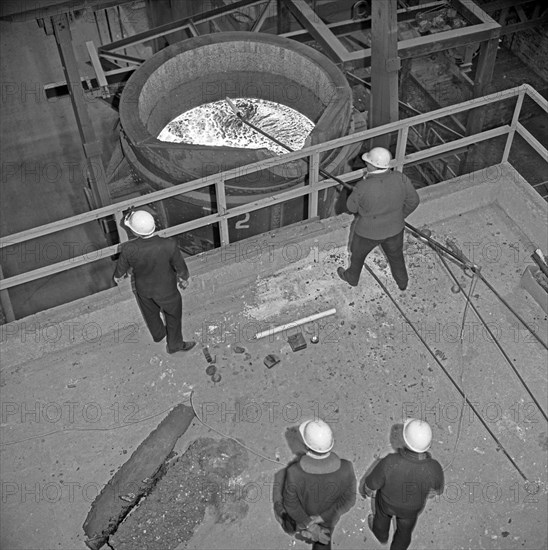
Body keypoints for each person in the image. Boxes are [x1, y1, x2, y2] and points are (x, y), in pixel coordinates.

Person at [113, 210, 196, 354]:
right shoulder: (168, 244)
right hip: (167, 290)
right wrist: (184, 278)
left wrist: (119, 276)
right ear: (153, 226)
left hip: (144, 290)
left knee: (150, 313)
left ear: (134, 231)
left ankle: (158, 334)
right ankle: (174, 345)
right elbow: (180, 266)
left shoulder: (128, 248)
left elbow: (119, 272)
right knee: (173, 315)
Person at [337, 147, 420, 290]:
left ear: (373, 165)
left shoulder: (363, 186)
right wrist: (400, 216)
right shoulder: (400, 177)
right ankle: (402, 282)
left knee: (357, 256)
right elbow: (414, 201)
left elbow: (351, 208)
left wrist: (356, 193)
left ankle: (352, 278)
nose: (366, 165)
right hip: (395, 229)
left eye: (367, 162)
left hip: (367, 233)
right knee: (396, 257)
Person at [361, 419, 444, 550]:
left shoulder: (390, 462)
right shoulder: (434, 468)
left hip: (387, 504)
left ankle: (381, 535)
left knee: (381, 518)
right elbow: (436, 491)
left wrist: (366, 489)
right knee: (405, 531)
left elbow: (371, 483)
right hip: (411, 510)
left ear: (405, 440)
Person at [282, 419, 356, 549]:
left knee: (284, 512)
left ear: (306, 446)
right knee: (323, 541)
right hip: (329, 518)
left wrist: (308, 524)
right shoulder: (347, 468)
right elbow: (349, 499)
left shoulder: (293, 473)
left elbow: (290, 503)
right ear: (331, 444)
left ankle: (291, 527)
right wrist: (323, 517)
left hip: (304, 514)